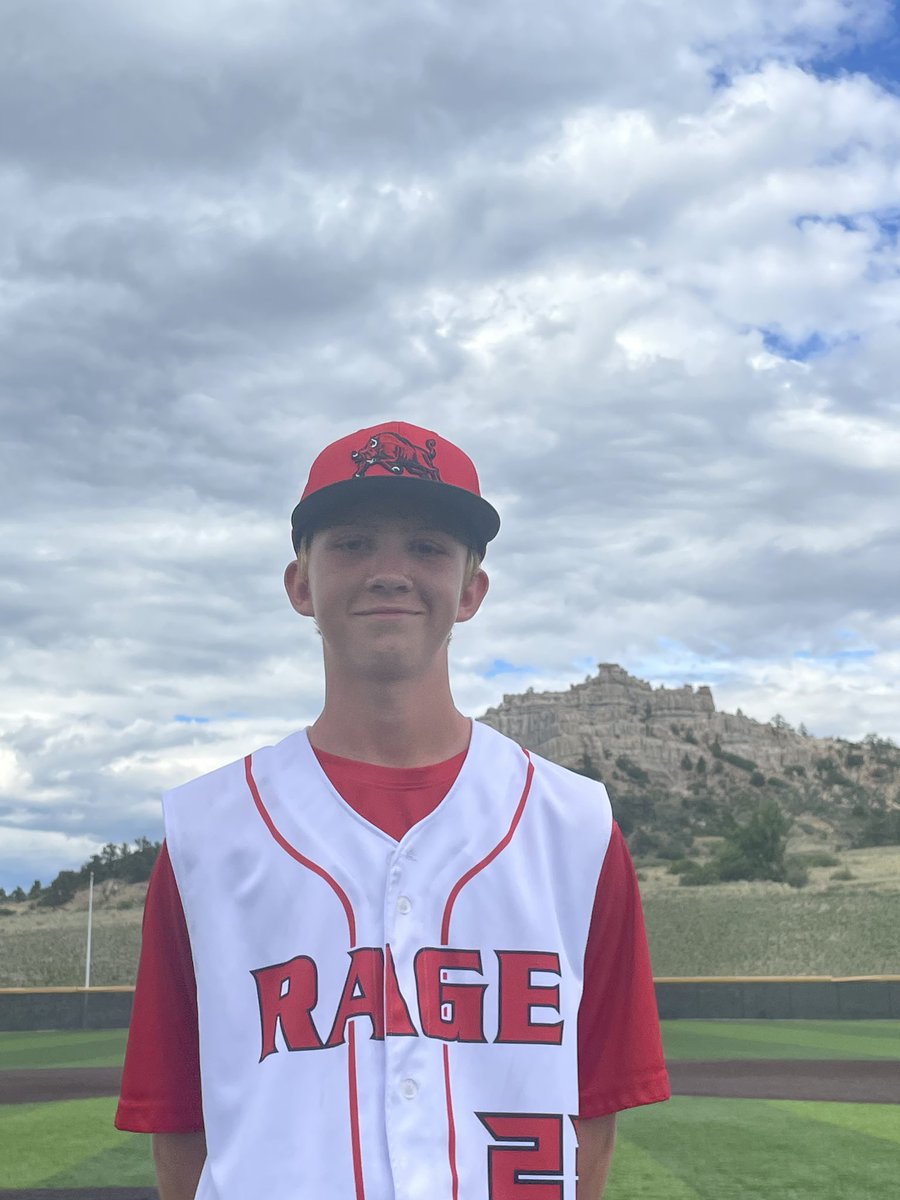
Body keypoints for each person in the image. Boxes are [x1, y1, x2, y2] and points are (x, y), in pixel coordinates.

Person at [116, 420, 669, 1199]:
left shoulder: (574, 826)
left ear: (471, 590)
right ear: (300, 584)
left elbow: (594, 1103)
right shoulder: (209, 831)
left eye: (428, 546)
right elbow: (179, 1119)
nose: (389, 571)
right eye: (351, 542)